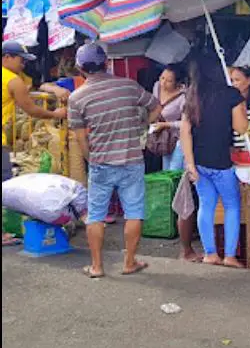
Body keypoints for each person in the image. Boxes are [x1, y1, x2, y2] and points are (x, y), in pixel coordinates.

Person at [68, 43, 160, 278]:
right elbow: (155, 106)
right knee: (133, 213)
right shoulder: (128, 86)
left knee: (96, 215)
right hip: (131, 159)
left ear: (80, 68)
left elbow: (80, 139)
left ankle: (97, 266)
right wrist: (142, 126)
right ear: (106, 62)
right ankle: (129, 262)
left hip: (101, 162)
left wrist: (92, 158)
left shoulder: (76, 98)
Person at [181, 57, 248, 268]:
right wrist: (241, 106)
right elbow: (241, 128)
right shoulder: (231, 95)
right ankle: (229, 256)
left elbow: (185, 131)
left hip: (199, 162)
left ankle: (210, 254)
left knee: (206, 205)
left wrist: (190, 164)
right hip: (222, 162)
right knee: (231, 206)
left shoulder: (192, 96)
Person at [3, 41, 67, 246]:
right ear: (7, 57)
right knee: (4, 184)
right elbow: (31, 109)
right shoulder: (12, 81)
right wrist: (55, 113)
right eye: (21, 60)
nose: (23, 64)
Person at [149, 64, 187, 171]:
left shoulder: (184, 97)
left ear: (178, 83)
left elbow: (186, 123)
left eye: (169, 81)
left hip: (179, 138)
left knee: (174, 170)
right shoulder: (157, 87)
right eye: (162, 78)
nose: (163, 83)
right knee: (166, 170)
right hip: (164, 137)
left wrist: (165, 124)